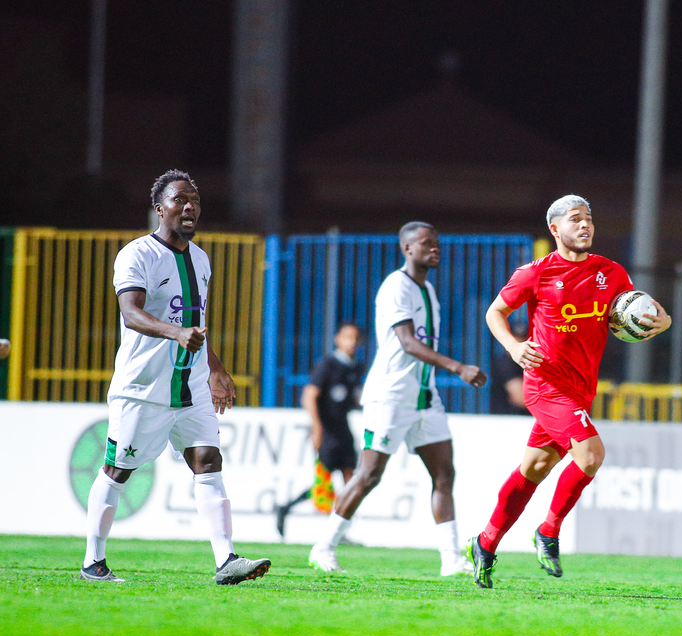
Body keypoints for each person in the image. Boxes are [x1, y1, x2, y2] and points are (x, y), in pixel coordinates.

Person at [467, 195, 671, 588]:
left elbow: (644, 312)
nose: (585, 226)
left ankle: (485, 542)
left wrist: (657, 323)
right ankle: (548, 531)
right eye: (575, 219)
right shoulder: (535, 273)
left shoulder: (610, 273)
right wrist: (512, 346)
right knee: (591, 454)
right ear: (555, 229)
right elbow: (495, 312)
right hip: (545, 385)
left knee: (534, 469)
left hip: (581, 389)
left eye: (589, 220)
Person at [79, 169, 271, 585]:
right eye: (180, 199)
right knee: (118, 470)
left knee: (208, 461)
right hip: (143, 387)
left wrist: (216, 368)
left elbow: (198, 324)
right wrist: (177, 333)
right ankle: (93, 562)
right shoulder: (136, 254)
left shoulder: (201, 259)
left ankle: (227, 561)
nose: (189, 207)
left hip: (191, 384)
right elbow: (131, 313)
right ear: (159, 207)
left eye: (195, 200)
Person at [309, 221, 487, 576]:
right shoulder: (396, 286)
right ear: (407, 249)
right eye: (426, 243)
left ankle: (451, 559)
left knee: (444, 473)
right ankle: (323, 547)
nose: (434, 248)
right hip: (390, 397)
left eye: (436, 242)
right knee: (369, 475)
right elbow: (407, 342)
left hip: (424, 397)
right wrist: (457, 367)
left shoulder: (429, 291)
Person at [276, 323, 364, 536]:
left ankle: (340, 530)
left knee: (351, 479)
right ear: (338, 339)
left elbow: (353, 399)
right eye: (347, 337)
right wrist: (317, 428)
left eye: (355, 338)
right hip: (327, 432)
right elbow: (309, 397)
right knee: (323, 483)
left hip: (343, 429)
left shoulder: (354, 367)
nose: (351, 342)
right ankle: (288, 509)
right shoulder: (327, 365)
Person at [489, 323, 529, 415]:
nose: (520, 343)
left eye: (523, 339)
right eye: (516, 339)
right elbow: (521, 399)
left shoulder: (527, 362)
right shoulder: (505, 363)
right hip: (508, 420)